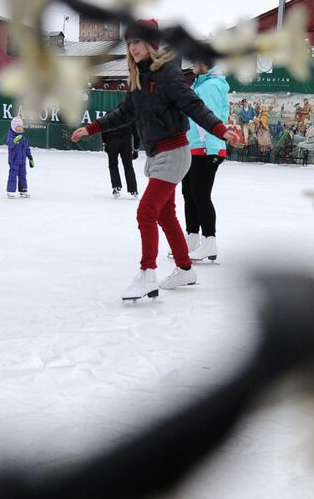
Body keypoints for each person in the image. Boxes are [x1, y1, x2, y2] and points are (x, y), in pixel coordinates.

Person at [70, 19, 242, 300]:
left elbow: (194, 105)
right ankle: (186, 269)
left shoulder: (167, 74)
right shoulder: (140, 79)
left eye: (138, 42)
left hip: (174, 152)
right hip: (157, 154)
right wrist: (91, 128)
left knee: (146, 213)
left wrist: (220, 130)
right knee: (164, 214)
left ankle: (147, 274)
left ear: (152, 44)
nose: (133, 48)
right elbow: (125, 112)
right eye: (130, 43)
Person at [180, 58, 230, 263]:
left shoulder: (210, 87)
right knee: (189, 194)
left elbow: (212, 118)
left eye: (195, 62)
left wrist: (212, 150)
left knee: (201, 195)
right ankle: (193, 238)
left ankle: (210, 242)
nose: (192, 65)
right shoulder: (199, 84)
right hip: (193, 147)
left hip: (206, 148)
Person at [100, 95, 139, 198]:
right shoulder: (130, 116)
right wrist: (135, 150)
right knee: (128, 166)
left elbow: (103, 128)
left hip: (112, 142)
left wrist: (104, 143)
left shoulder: (110, 113)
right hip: (126, 143)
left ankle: (116, 187)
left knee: (113, 165)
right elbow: (136, 134)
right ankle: (133, 190)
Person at [6, 115, 33, 198]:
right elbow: (10, 144)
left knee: (23, 175)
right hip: (14, 161)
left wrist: (30, 157)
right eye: (18, 127)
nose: (20, 128)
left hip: (22, 161)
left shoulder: (23, 137)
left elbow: (26, 147)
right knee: (13, 175)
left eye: (21, 126)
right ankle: (10, 191)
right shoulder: (11, 136)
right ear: (14, 127)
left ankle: (23, 189)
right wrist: (15, 140)